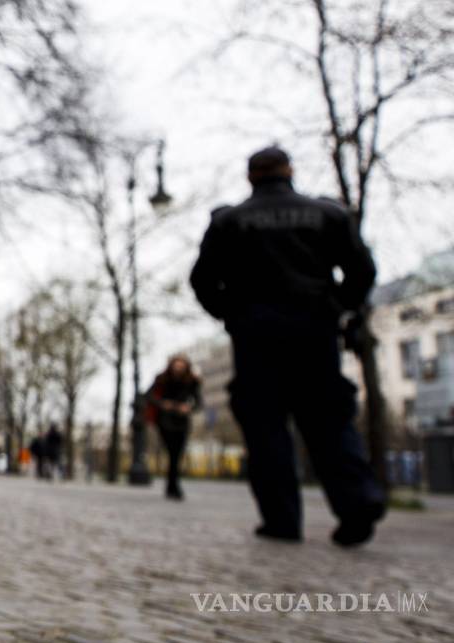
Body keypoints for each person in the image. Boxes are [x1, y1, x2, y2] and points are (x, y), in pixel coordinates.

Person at [190, 146, 385, 547]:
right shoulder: (327, 214)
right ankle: (357, 501)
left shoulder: (230, 221)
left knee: (266, 428)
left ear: (251, 177)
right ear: (289, 171)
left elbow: (203, 281)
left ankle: (281, 519)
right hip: (314, 329)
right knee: (329, 420)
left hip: (256, 333)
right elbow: (362, 270)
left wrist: (232, 314)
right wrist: (338, 306)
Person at [147, 355, 202, 500]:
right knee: (171, 452)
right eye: (176, 364)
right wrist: (163, 404)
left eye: (181, 365)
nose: (178, 368)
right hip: (165, 420)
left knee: (177, 454)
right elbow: (149, 396)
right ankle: (173, 486)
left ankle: (172, 485)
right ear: (171, 365)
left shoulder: (192, 381)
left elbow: (199, 402)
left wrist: (188, 407)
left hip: (182, 421)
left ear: (186, 366)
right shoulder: (161, 379)